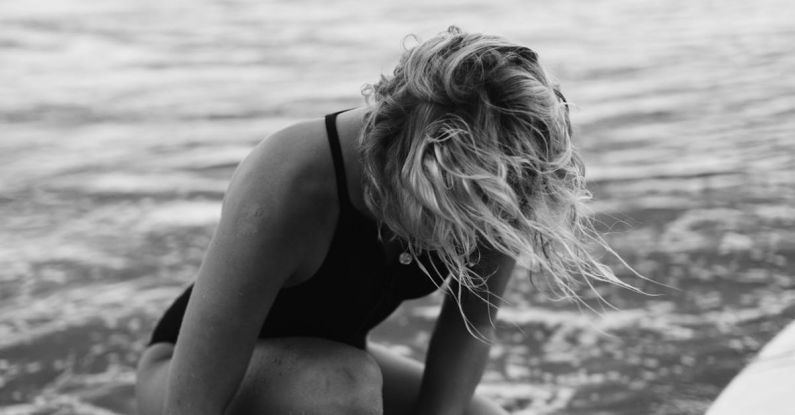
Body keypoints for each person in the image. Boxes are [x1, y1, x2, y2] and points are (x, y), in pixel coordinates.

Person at [135, 26, 631, 415]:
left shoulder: (498, 176)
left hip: (338, 369)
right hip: (187, 379)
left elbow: (470, 324)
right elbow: (191, 404)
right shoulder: (290, 176)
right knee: (342, 387)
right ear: (408, 164)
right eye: (444, 214)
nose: (461, 237)